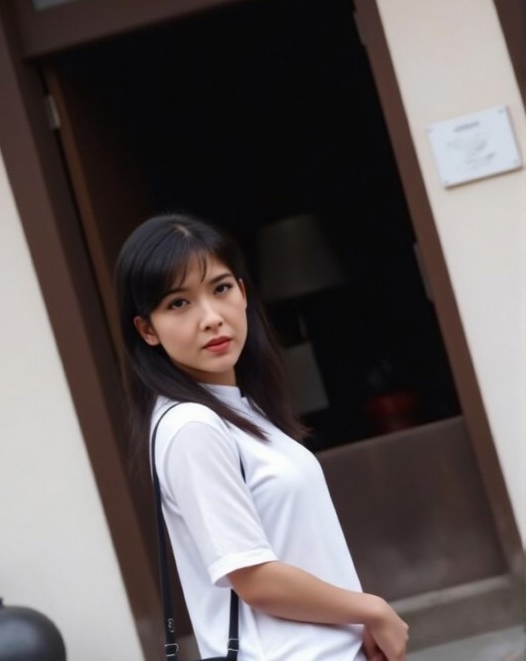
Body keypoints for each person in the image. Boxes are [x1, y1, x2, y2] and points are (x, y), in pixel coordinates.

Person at [115, 212, 409, 661]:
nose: (211, 318)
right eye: (179, 303)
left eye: (220, 288)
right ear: (147, 329)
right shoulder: (192, 426)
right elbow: (253, 578)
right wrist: (372, 610)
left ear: (243, 292)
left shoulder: (235, 407)